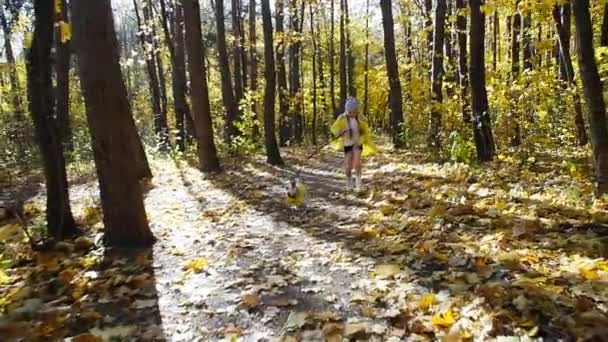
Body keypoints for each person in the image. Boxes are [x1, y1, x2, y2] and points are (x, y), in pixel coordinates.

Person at [330, 97, 377, 192]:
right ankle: (349, 184)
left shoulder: (360, 118)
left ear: (357, 110)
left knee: (357, 163)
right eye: (350, 112)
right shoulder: (342, 118)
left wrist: (362, 139)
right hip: (347, 144)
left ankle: (359, 185)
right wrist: (340, 131)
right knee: (348, 166)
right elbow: (334, 129)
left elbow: (365, 131)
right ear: (347, 110)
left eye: (354, 112)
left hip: (357, 144)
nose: (352, 114)